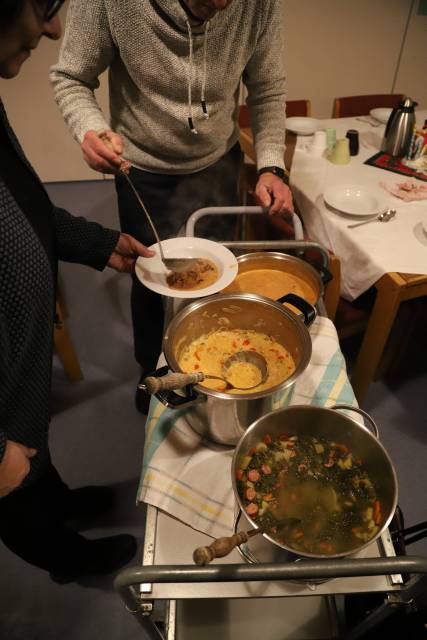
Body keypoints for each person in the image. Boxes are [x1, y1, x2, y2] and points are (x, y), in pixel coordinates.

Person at [50, 0, 293, 413]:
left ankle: (212, 374)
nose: (217, 11)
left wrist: (272, 165)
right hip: (142, 167)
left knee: (219, 280)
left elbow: (267, 89)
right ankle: (155, 379)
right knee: (151, 282)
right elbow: (71, 76)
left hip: (220, 162)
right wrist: (90, 130)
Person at [0, 0, 155, 584]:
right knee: (15, 481)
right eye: (41, 7)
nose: (55, 28)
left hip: (19, 367)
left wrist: (93, 241)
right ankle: (66, 560)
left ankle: (58, 503)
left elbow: (19, 206)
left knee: (36, 451)